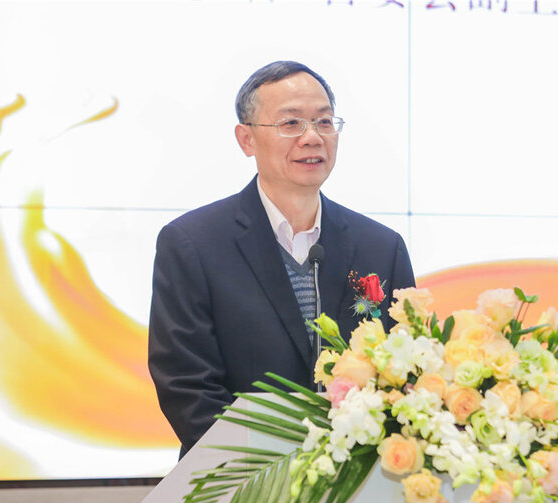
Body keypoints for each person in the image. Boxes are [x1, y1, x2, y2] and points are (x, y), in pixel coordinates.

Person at [148, 61, 415, 458]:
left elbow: (407, 373)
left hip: (358, 478)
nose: (312, 138)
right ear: (246, 139)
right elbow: (187, 386)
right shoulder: (193, 244)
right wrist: (278, 469)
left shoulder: (381, 246)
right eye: (291, 123)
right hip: (241, 481)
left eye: (324, 122)